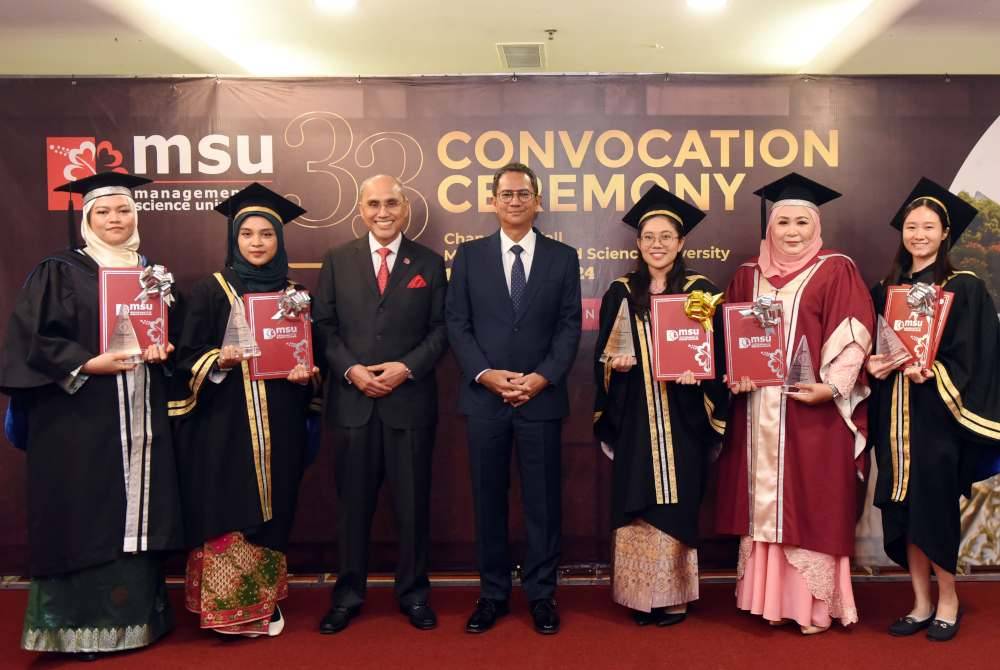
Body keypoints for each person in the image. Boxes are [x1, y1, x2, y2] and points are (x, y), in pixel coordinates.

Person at [0, 172, 182, 659]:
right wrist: (86, 363)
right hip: (78, 418)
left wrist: (165, 349)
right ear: (86, 219)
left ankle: (138, 621)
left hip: (140, 414)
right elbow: (33, 340)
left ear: (136, 216)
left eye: (123, 210)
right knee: (85, 509)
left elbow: (169, 337)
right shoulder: (60, 271)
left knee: (135, 509)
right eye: (103, 212)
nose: (115, 219)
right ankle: (76, 628)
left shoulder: (152, 274)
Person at [714, 172, 875, 634]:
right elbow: (731, 340)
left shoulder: (836, 269)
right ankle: (768, 601)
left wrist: (833, 388)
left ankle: (812, 607)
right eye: (783, 222)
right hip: (759, 410)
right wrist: (736, 376)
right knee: (764, 502)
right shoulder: (747, 275)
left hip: (813, 411)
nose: (792, 232)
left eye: (802, 222)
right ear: (770, 227)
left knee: (812, 502)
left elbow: (854, 335)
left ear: (816, 226)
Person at [170, 183, 318, 638]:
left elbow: (309, 359)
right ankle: (225, 607)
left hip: (282, 420)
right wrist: (220, 360)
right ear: (234, 239)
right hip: (225, 423)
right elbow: (185, 358)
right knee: (229, 505)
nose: (257, 242)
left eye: (266, 234)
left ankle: (265, 602)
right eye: (247, 234)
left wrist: (305, 374)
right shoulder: (211, 291)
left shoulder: (294, 294)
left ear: (280, 239)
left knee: (277, 506)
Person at [446, 162, 582, 635]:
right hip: (485, 401)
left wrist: (542, 378)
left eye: (524, 193)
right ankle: (493, 594)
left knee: (543, 502)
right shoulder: (469, 256)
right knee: (488, 501)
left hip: (540, 400)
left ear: (538, 201)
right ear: (493, 202)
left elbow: (569, 327)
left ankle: (542, 595)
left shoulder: (562, 257)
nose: (515, 201)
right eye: (506, 194)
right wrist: (485, 375)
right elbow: (457, 324)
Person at [313, 175, 448, 633]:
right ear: (361, 209)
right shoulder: (337, 260)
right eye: (374, 204)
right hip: (352, 404)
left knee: (412, 507)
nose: (383, 212)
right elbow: (323, 326)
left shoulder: (429, 263)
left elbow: (442, 329)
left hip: (409, 403)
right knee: (352, 508)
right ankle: (347, 595)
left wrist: (405, 368)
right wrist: (351, 370)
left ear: (405, 208)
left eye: (391, 203)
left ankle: (414, 594)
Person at [866, 178, 1000, 642]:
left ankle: (948, 600)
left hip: (936, 420)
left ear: (945, 233)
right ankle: (920, 602)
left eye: (928, 227)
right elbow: (875, 348)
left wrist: (935, 372)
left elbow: (979, 355)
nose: (918, 234)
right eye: (911, 226)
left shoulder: (964, 288)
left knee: (934, 509)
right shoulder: (885, 290)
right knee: (902, 510)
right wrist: (873, 365)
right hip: (893, 417)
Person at [594, 185, 728, 627]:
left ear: (681, 241)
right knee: (636, 498)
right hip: (635, 416)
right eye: (649, 236)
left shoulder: (701, 293)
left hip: (684, 415)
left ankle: (673, 597)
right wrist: (616, 367)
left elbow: (719, 354)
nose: (657, 244)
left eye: (666, 236)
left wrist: (700, 374)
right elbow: (603, 357)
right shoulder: (620, 292)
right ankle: (639, 595)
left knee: (678, 502)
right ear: (638, 242)